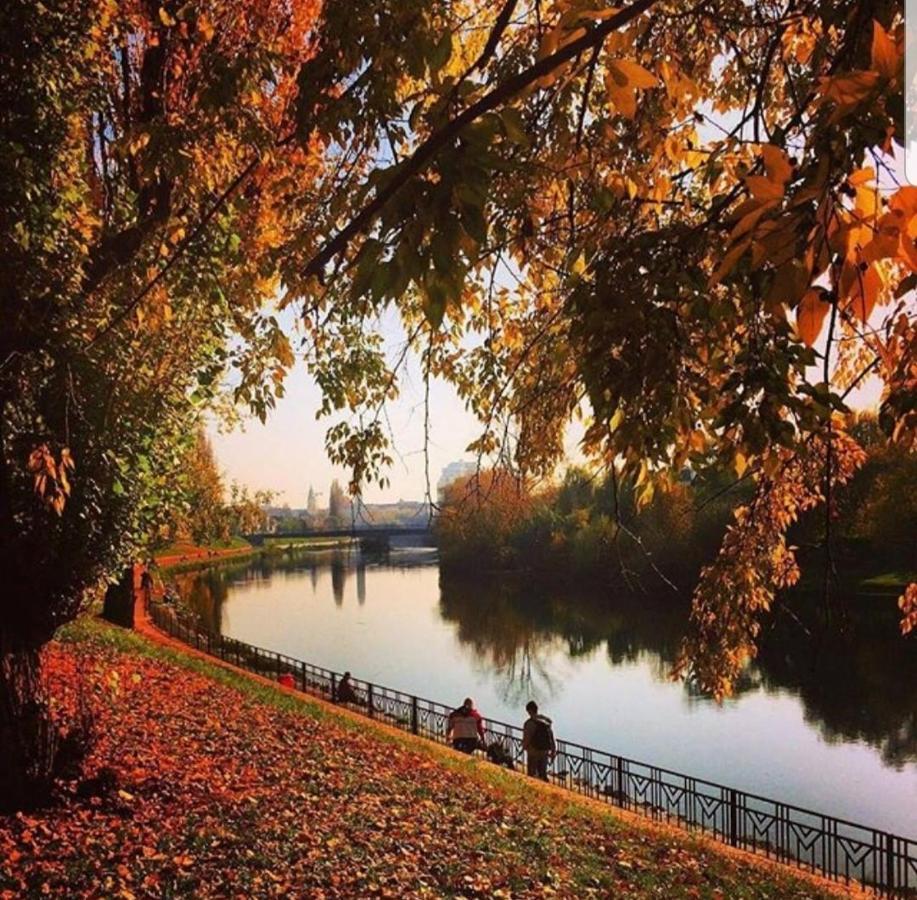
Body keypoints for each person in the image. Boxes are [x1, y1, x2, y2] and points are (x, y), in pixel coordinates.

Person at [522, 700, 556, 781]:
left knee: (531, 774)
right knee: (543, 773)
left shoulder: (529, 723)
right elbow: (551, 737)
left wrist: (524, 747)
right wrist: (553, 750)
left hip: (533, 751)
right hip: (544, 751)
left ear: (529, 711)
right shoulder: (546, 722)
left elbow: (527, 738)